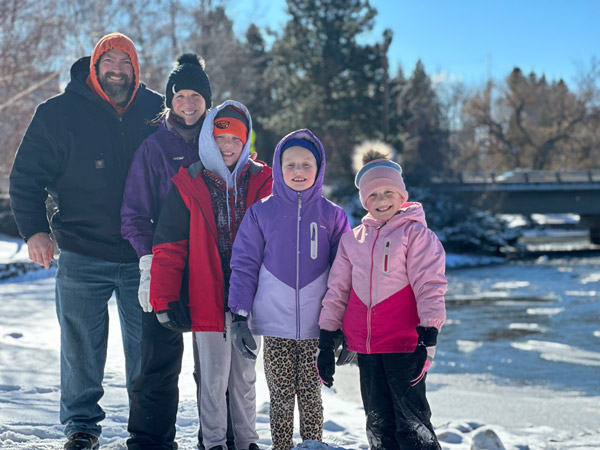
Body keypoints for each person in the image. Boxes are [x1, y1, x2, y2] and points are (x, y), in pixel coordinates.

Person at [8, 32, 163, 450]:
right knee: (80, 348)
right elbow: (26, 177)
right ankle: (81, 427)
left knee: (146, 348)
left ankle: (147, 429)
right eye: (109, 61)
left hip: (142, 255)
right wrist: (36, 230)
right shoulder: (57, 113)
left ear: (136, 69)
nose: (117, 69)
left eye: (125, 62)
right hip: (80, 250)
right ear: (94, 66)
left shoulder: (155, 110)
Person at [121, 53, 234, 450]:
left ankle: (220, 439)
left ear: (208, 99)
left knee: (218, 368)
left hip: (215, 269)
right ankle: (150, 441)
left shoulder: (223, 144)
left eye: (195, 96)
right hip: (167, 268)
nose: (188, 103)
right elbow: (134, 213)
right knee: (158, 363)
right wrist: (148, 262)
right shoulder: (153, 148)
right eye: (180, 95)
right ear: (170, 100)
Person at [148, 101, 272, 450]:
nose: (228, 145)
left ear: (246, 140)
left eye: (236, 138)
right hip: (207, 296)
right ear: (208, 138)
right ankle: (214, 442)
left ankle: (247, 441)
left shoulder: (264, 179)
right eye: (221, 137)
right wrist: (164, 298)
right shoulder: (190, 181)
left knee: (245, 377)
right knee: (213, 380)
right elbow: (170, 246)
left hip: (250, 299)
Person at [317, 147, 448, 450]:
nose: (382, 201)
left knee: (412, 426)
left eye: (389, 192)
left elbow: (430, 284)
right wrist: (327, 338)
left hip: (405, 346)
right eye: (373, 195)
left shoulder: (416, 235)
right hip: (367, 349)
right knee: (378, 424)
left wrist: (429, 333)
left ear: (402, 196)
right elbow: (338, 290)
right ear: (364, 200)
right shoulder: (353, 239)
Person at [227, 129, 351, 450]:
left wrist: (347, 326)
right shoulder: (261, 212)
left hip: (317, 331)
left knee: (311, 397)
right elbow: (244, 265)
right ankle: (281, 448)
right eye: (290, 164)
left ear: (319, 168)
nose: (298, 171)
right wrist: (239, 315)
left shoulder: (333, 216)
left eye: (306, 164)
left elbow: (348, 273)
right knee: (280, 399)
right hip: (276, 329)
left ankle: (313, 446)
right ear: (279, 170)